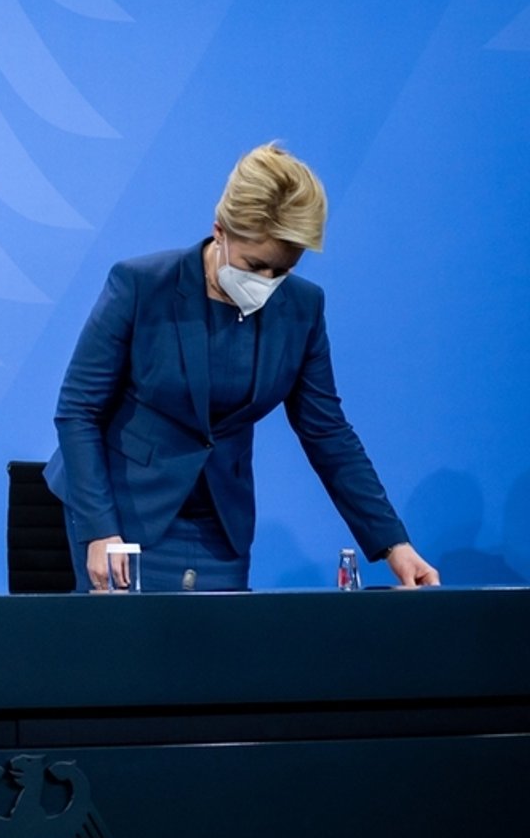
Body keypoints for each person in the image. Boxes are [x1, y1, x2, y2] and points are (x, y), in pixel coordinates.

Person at [46, 142, 438, 593]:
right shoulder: (141, 286)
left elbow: (327, 432)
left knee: (219, 658)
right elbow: (78, 410)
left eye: (283, 270)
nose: (267, 283)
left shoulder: (303, 309)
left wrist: (393, 544)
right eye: (256, 266)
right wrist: (99, 530)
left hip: (221, 528)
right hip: (123, 518)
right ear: (220, 232)